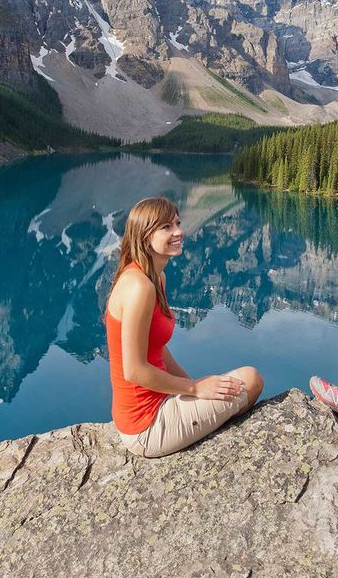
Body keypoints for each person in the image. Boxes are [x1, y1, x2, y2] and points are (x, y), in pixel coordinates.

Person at [105, 196, 264, 458]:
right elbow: (134, 371)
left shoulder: (155, 277)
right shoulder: (138, 287)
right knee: (252, 379)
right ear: (144, 236)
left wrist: (192, 384)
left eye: (177, 223)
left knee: (232, 384)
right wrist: (194, 389)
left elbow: (158, 349)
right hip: (146, 427)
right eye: (166, 227)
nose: (178, 231)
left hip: (155, 404)